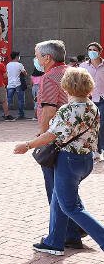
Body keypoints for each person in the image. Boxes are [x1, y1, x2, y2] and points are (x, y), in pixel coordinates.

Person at [14, 67, 104, 256]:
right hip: (86, 160)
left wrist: (27, 145)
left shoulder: (68, 110)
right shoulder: (92, 107)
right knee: (58, 198)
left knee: (71, 207)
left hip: (68, 160)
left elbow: (51, 135)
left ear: (67, 86)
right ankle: (54, 241)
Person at [33, 39, 84, 247]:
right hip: (75, 139)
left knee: (55, 189)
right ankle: (75, 229)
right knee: (66, 188)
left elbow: (48, 110)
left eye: (37, 55)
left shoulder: (49, 78)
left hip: (56, 139)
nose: (36, 59)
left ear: (47, 58)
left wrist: (41, 139)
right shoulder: (72, 73)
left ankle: (62, 235)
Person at [79, 42, 104, 162]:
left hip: (102, 99)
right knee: (90, 126)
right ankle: (95, 151)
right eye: (90, 49)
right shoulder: (83, 67)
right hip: (88, 100)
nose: (92, 51)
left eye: (94, 49)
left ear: (100, 51)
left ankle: (100, 149)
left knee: (102, 125)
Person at [6, 51, 28, 120]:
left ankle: (6, 114)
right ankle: (21, 114)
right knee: (20, 100)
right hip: (18, 84)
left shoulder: (8, 65)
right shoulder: (19, 65)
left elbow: (7, 74)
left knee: (8, 100)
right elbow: (25, 73)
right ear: (16, 57)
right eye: (18, 56)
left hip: (10, 84)